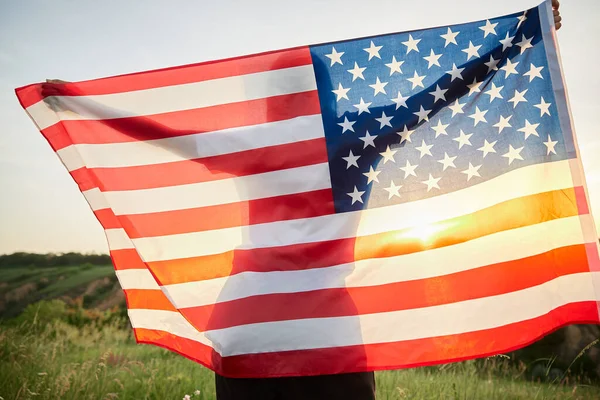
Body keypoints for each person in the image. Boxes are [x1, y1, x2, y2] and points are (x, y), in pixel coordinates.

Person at [41, 2, 562, 399]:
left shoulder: (251, 145)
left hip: (248, 319)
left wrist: (80, 105)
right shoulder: (358, 135)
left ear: (270, 100)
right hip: (326, 319)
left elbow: (166, 135)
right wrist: (519, 39)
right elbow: (438, 93)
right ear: (328, 88)